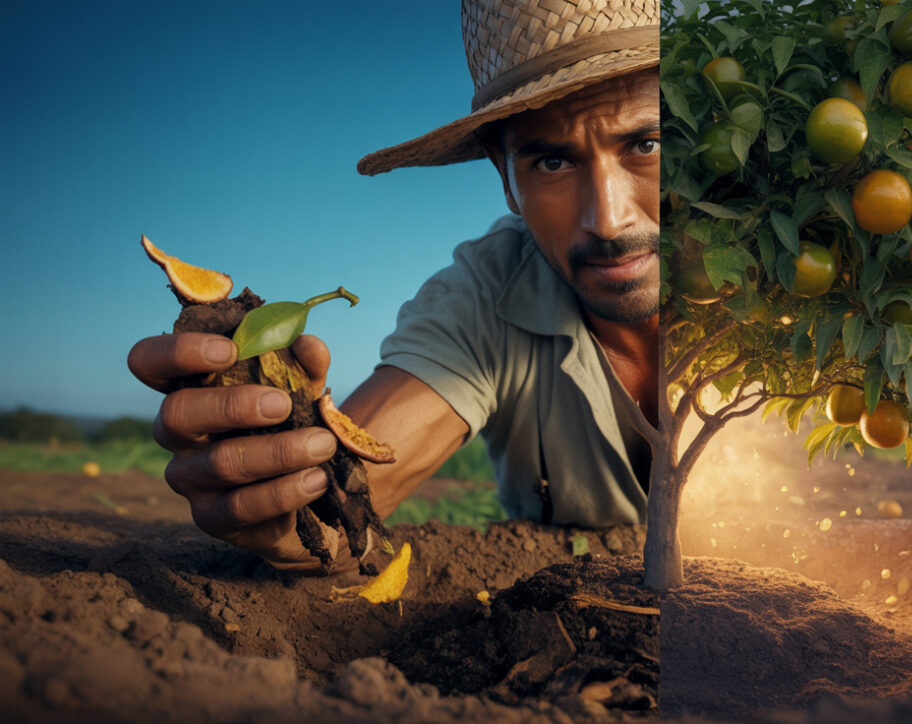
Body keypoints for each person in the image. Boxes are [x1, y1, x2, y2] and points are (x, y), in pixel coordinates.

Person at [127, 0, 661, 571]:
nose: (608, 220)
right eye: (553, 163)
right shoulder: (484, 298)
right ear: (504, 176)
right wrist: (277, 504)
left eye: (647, 146)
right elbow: (335, 519)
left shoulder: (766, 284)